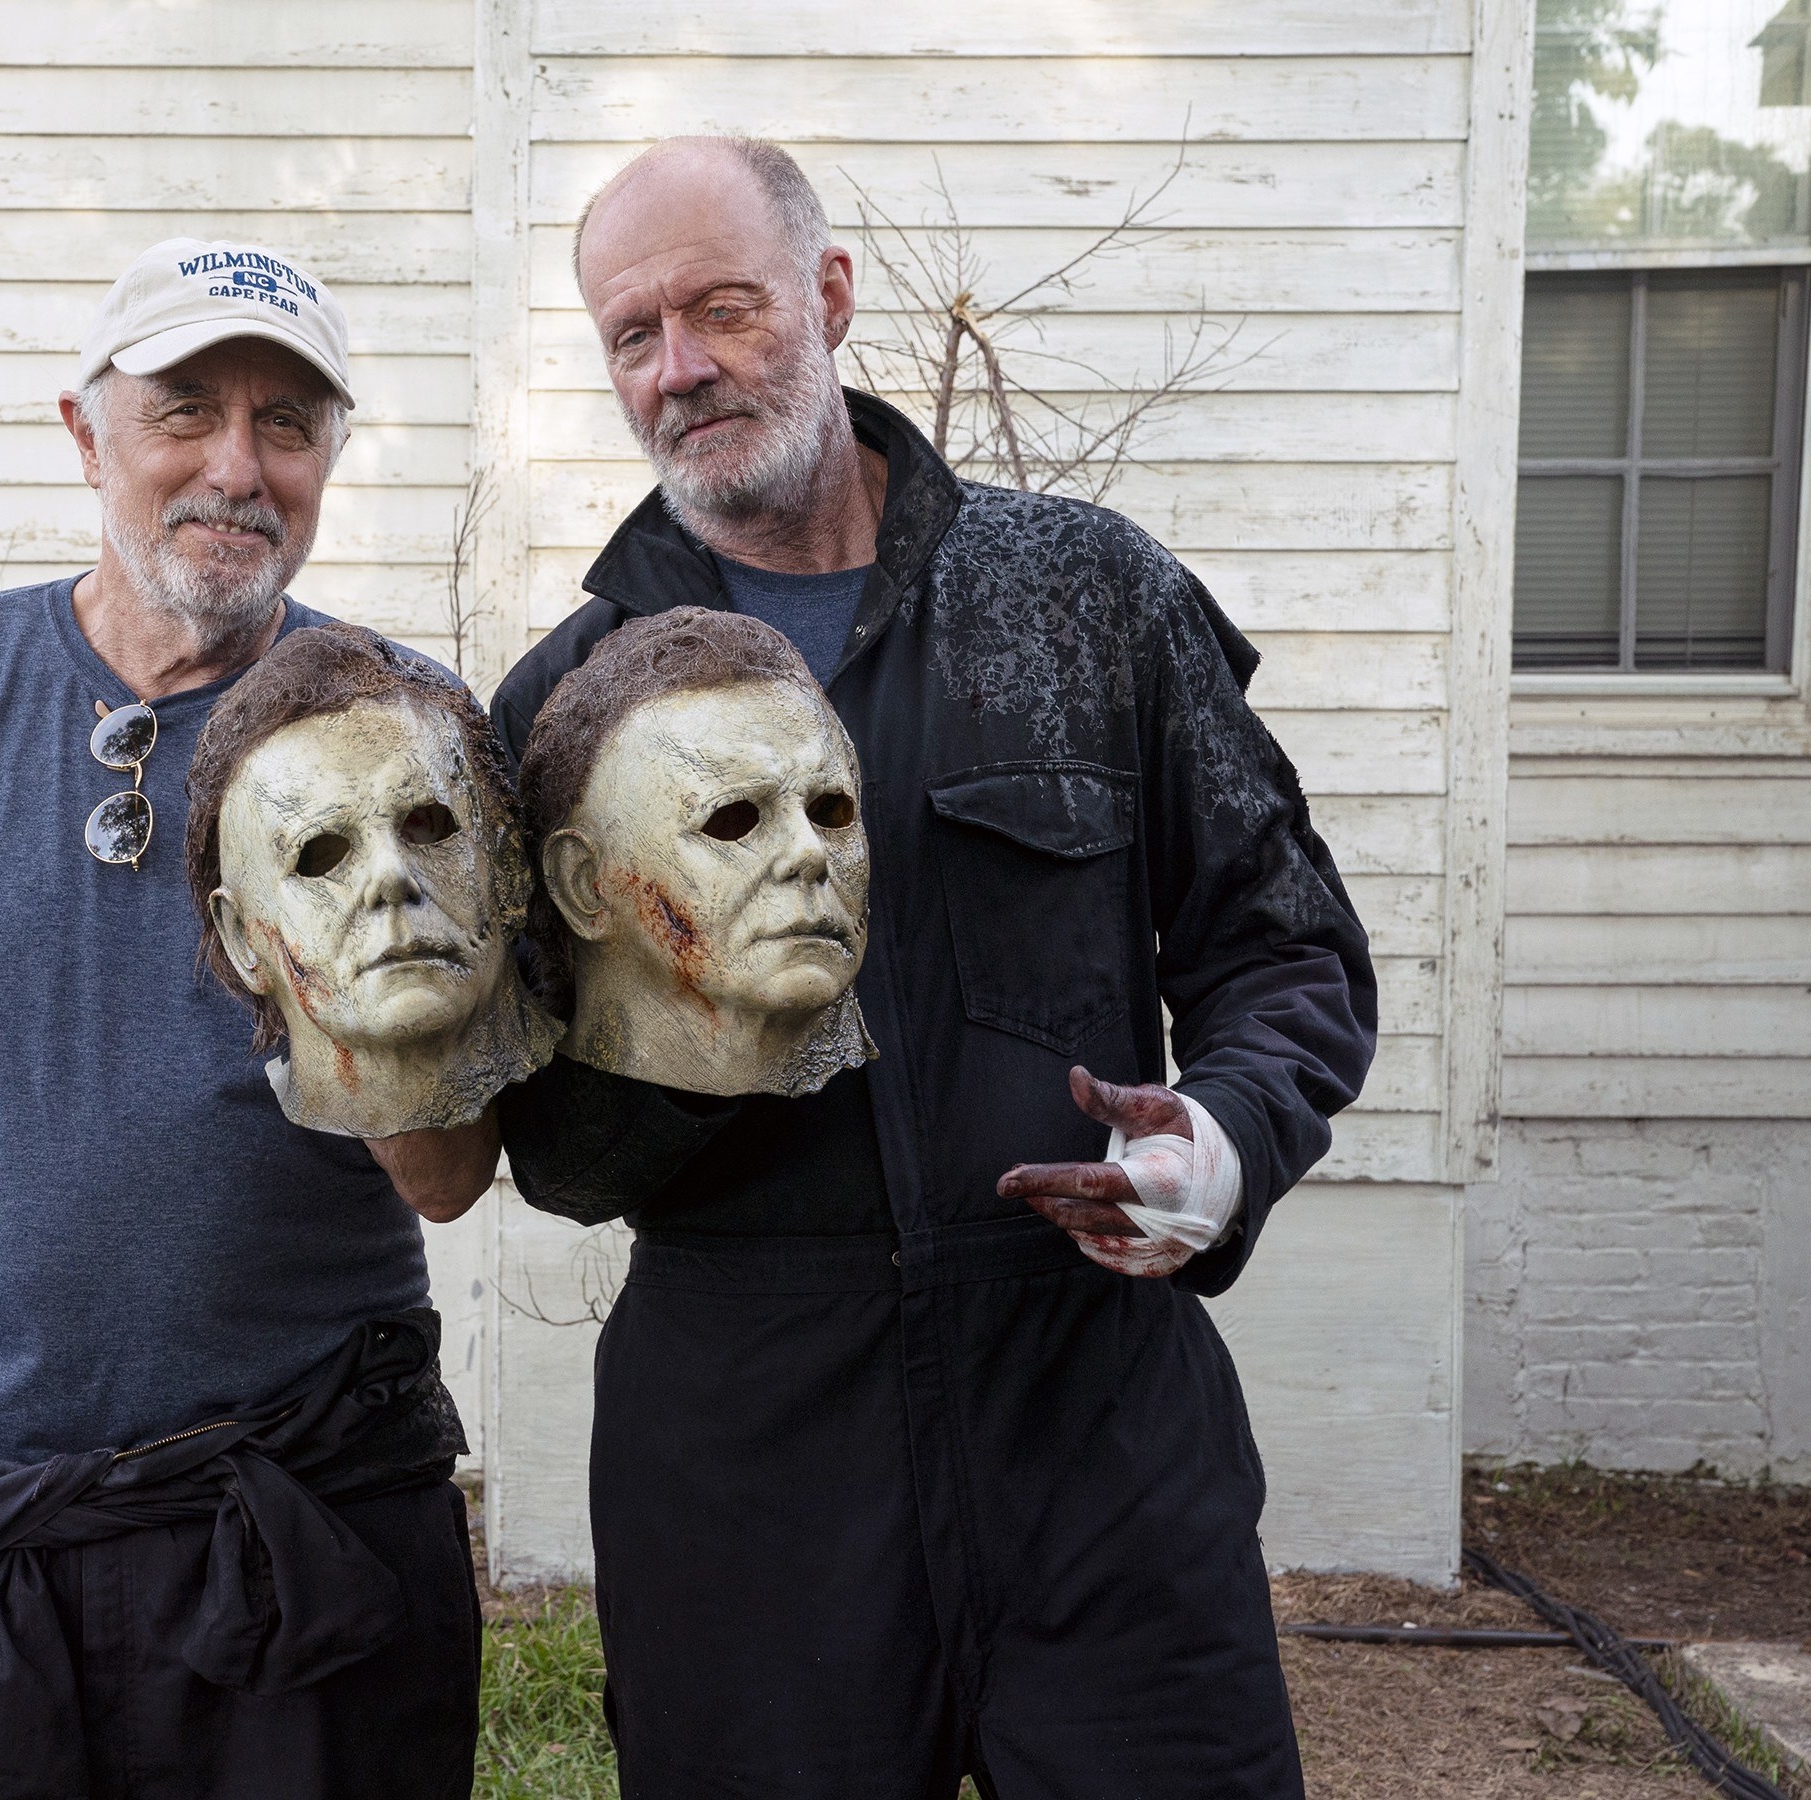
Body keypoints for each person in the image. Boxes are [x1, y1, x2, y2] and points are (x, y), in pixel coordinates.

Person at [486, 137, 1378, 1799]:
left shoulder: (1084, 599)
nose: (678, 370)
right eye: (631, 335)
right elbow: (552, 1156)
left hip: (1094, 1406)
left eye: (723, 309)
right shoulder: (565, 710)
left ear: (828, 297)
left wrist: (1227, 1140)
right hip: (748, 1449)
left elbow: (1286, 946)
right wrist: (710, 1035)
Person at [0, 238, 494, 1800]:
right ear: (85, 433)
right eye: (184, 412)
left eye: (288, 424)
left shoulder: (405, 733)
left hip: (301, 1529)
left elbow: (450, 1177)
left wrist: (342, 931)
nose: (237, 468)